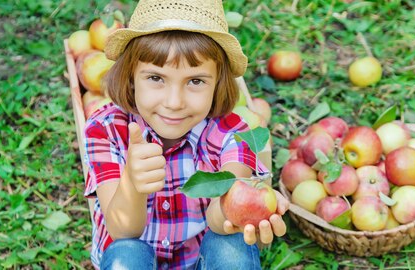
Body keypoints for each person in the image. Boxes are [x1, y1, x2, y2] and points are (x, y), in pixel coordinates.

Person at [82, 0, 289, 269]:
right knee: (127, 255)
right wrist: (132, 183)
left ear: (218, 84)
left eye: (195, 81)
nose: (174, 101)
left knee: (232, 247)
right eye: (156, 78)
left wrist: (240, 207)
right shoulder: (106, 128)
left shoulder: (231, 133)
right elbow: (122, 232)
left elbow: (219, 218)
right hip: (135, 254)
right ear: (131, 76)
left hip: (199, 260)